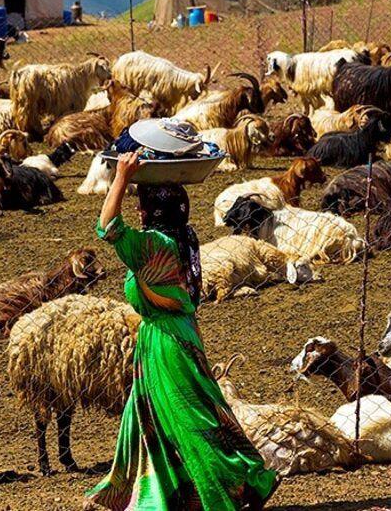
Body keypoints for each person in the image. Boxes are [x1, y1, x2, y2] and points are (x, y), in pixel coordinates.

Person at [85, 152, 277, 511]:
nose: (138, 212)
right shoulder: (185, 237)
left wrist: (122, 177)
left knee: (188, 419)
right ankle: (173, 493)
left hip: (166, 343)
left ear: (149, 212)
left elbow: (106, 227)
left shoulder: (154, 246)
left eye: (142, 206)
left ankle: (231, 489)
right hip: (182, 334)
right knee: (164, 414)